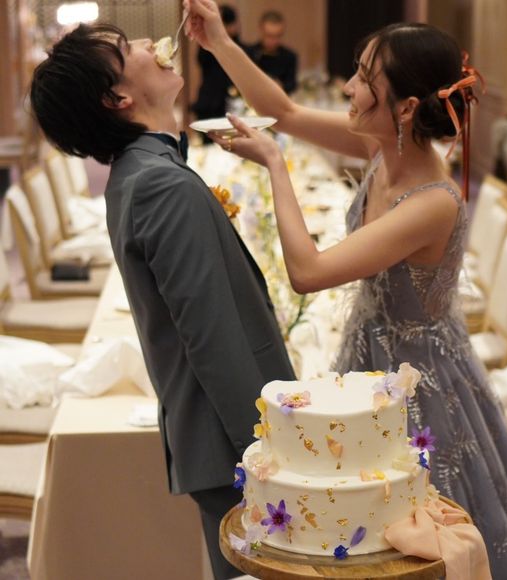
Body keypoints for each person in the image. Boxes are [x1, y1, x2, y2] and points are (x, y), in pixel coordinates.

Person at [184, 2, 507, 578]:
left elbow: (309, 272)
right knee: (355, 524)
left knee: (406, 540)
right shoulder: (383, 147)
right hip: (368, 358)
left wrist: (277, 167)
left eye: (364, 78)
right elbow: (282, 111)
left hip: (417, 383)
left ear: (406, 107)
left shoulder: (433, 201)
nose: (348, 87)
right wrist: (218, 43)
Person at [29, 23, 295, 580]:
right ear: (117, 98)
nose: (152, 45)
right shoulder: (160, 184)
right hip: (236, 447)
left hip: (218, 441)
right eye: (129, 49)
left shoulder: (141, 171)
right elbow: (213, 340)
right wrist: (272, 456)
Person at [192, 4, 245, 144]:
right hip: (208, 103)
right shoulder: (207, 45)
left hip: (231, 105)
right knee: (207, 146)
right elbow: (201, 61)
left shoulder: (241, 48)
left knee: (233, 145)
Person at [246, 10, 298, 94]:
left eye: (278, 36)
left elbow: (292, 85)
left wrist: (280, 86)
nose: (273, 41)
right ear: (261, 31)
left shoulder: (290, 56)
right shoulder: (249, 53)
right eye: (269, 35)